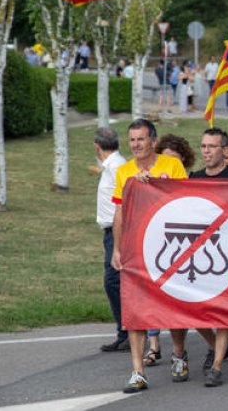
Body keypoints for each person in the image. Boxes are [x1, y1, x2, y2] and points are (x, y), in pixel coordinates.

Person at [110, 120, 189, 393]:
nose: (136, 145)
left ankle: (178, 354)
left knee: (173, 306)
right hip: (137, 248)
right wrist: (117, 249)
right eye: (132, 140)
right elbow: (119, 213)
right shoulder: (124, 172)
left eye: (141, 139)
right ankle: (138, 371)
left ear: (152, 141)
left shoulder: (172, 166)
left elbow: (186, 199)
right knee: (136, 310)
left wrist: (154, 185)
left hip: (169, 247)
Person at [189, 128, 228, 387]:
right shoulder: (194, 177)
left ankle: (216, 366)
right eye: (203, 146)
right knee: (192, 309)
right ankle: (215, 346)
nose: (206, 151)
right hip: (200, 252)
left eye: (211, 147)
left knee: (223, 310)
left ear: (223, 150)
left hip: (227, 253)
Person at [95, 127, 128, 354]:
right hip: (110, 231)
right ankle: (124, 332)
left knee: (113, 282)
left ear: (97, 147)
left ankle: (127, 331)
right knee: (115, 282)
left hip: (118, 232)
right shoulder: (111, 166)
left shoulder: (116, 167)